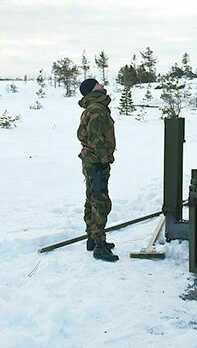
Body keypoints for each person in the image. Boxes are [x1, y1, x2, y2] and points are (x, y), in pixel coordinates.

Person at [77, 78, 118, 262]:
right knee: (100, 202)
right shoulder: (96, 109)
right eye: (98, 84)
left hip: (90, 160)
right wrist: (104, 159)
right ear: (93, 89)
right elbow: (95, 138)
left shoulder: (93, 107)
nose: (102, 85)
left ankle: (92, 239)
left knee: (92, 199)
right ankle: (99, 246)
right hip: (96, 162)